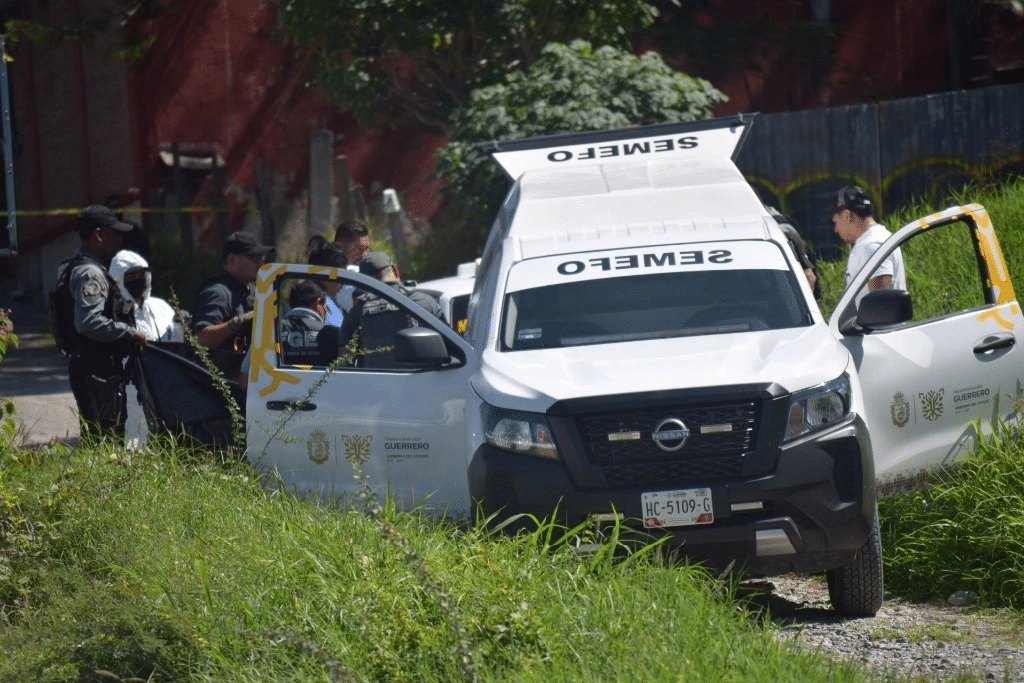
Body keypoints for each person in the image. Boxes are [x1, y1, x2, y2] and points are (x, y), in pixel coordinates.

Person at [54, 205, 147, 444]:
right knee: (106, 440)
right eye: (115, 232)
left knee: (100, 438)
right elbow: (88, 322)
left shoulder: (74, 266)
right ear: (98, 234)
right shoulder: (91, 274)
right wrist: (129, 332)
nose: (120, 237)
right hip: (97, 371)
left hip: (91, 368)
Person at [328, 251, 441, 368]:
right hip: (421, 384)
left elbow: (344, 360)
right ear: (395, 271)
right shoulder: (423, 302)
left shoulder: (356, 312)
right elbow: (450, 348)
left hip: (375, 384)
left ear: (363, 283)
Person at [192, 231, 272, 376]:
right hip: (219, 384)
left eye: (262, 258)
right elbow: (201, 339)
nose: (262, 263)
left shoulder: (254, 291)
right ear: (233, 260)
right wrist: (238, 322)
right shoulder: (218, 293)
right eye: (254, 258)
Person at [830, 186, 906, 307]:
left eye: (836, 222)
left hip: (875, 326)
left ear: (847, 215)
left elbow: (881, 306)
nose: (835, 229)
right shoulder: (879, 237)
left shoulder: (870, 245)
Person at [280, 280, 329, 365]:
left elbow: (249, 369)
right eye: (325, 306)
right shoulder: (332, 334)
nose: (325, 311)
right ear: (317, 303)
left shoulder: (271, 331)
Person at [307, 241, 348, 326]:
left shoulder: (331, 302)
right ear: (325, 274)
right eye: (339, 276)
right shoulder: (308, 302)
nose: (341, 282)